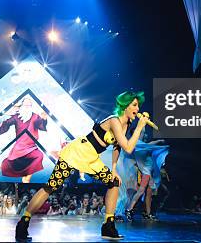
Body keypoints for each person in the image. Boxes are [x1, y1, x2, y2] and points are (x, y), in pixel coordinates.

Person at [14, 91, 149, 241]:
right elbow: (129, 147)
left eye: (138, 105)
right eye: (134, 105)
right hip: (77, 152)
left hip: (92, 158)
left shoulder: (127, 123)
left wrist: (114, 169)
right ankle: (23, 223)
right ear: (125, 106)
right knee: (51, 186)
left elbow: (118, 146)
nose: (138, 109)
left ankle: (108, 226)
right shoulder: (114, 121)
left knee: (114, 182)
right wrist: (140, 127)